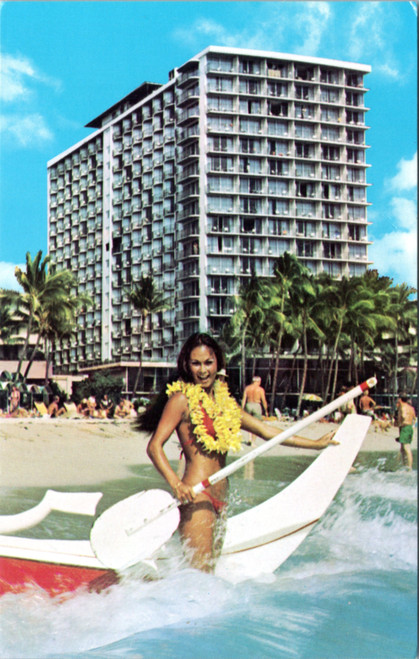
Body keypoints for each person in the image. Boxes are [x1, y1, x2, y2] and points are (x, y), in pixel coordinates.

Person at [142, 333, 337, 573]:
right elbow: (154, 446)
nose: (203, 370)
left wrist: (314, 444)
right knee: (199, 576)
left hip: (221, 496)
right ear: (187, 365)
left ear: (218, 364)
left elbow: (267, 431)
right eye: (196, 363)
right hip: (197, 495)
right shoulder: (182, 400)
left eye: (208, 363)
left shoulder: (227, 405)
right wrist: (175, 484)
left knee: (209, 572)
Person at [395, 393, 416, 470]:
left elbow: (403, 416)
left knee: (406, 447)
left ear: (400, 399)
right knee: (402, 448)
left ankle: (409, 467)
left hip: (404, 427)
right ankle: (405, 465)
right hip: (409, 427)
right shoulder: (411, 408)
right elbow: (414, 418)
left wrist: (401, 420)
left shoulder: (402, 407)